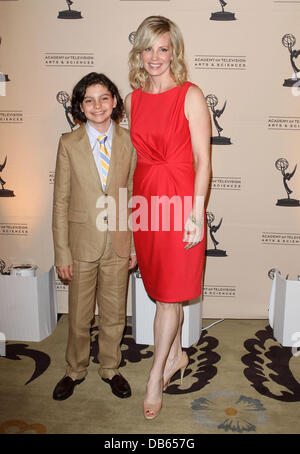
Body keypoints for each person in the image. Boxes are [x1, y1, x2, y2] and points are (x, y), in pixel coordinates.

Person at [125, 16, 211, 419]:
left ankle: (155, 375)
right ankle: (176, 355)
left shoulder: (190, 95)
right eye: (148, 48)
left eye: (163, 48)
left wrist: (196, 214)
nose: (155, 56)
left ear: (173, 51)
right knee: (160, 289)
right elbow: (134, 160)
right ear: (139, 52)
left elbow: (204, 163)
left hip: (180, 205)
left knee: (170, 296)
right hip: (147, 202)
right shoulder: (133, 99)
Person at [52, 72, 137, 401]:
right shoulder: (68, 143)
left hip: (118, 242)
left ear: (115, 101)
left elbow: (134, 195)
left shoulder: (129, 140)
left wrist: (134, 244)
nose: (97, 105)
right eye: (89, 99)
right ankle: (74, 369)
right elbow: (60, 201)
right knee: (80, 315)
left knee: (115, 313)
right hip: (80, 245)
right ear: (80, 106)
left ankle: (111, 368)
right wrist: (62, 253)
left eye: (104, 98)